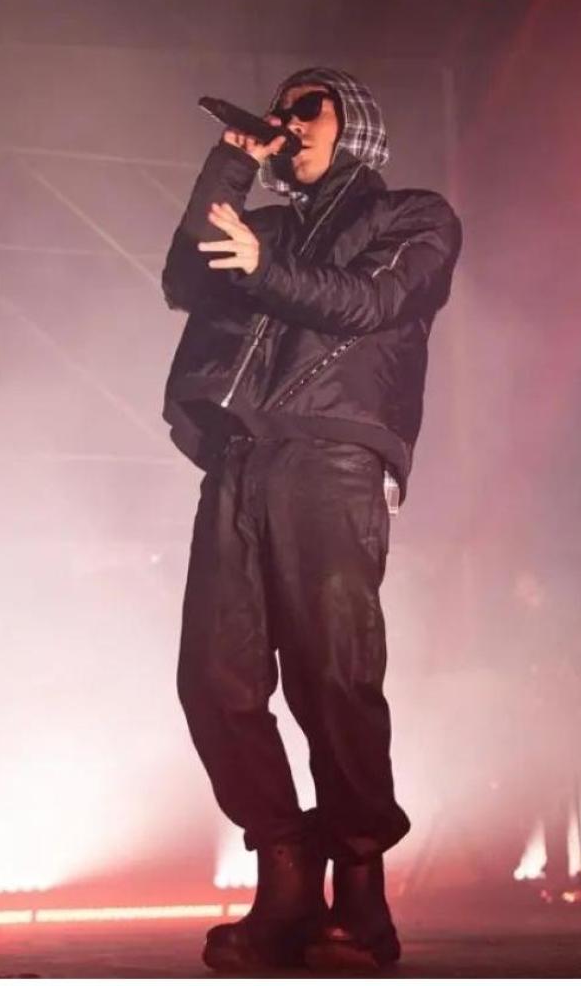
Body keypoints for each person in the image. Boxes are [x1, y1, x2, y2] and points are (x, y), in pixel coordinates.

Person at [161, 68, 461, 972]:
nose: (287, 122)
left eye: (307, 109)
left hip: (334, 454)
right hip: (241, 456)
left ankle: (360, 896)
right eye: (282, 110)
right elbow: (185, 277)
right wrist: (228, 166)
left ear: (356, 125)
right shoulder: (271, 227)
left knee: (333, 675)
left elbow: (370, 304)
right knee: (213, 676)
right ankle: (285, 876)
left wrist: (266, 267)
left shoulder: (416, 216)